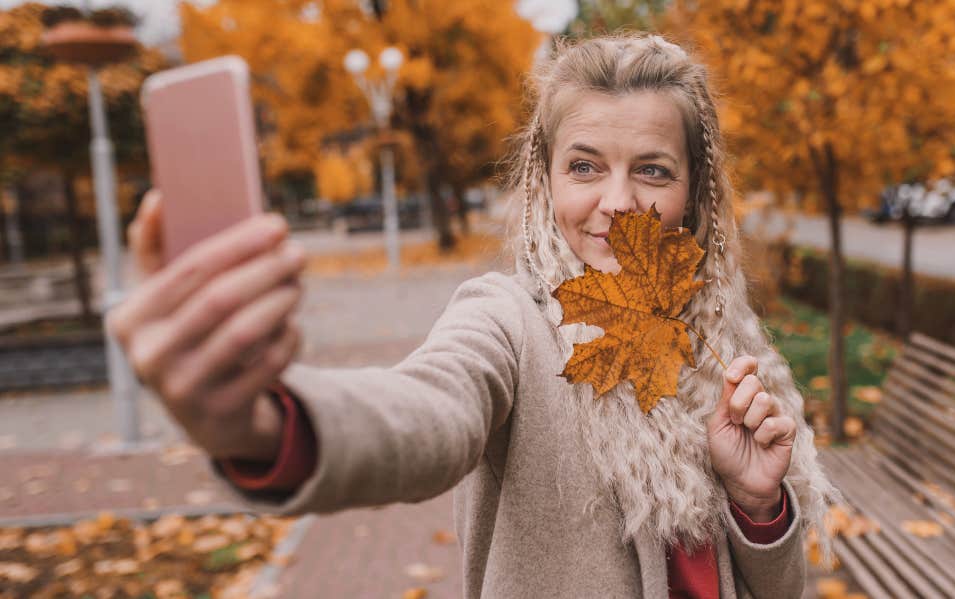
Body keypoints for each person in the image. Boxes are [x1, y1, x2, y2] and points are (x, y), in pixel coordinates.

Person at [107, 34, 838, 598]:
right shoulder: (510, 321)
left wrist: (757, 504)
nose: (616, 202)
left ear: (693, 195)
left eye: (652, 169)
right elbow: (430, 411)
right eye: (584, 166)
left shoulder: (717, 340)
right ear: (544, 179)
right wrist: (268, 424)